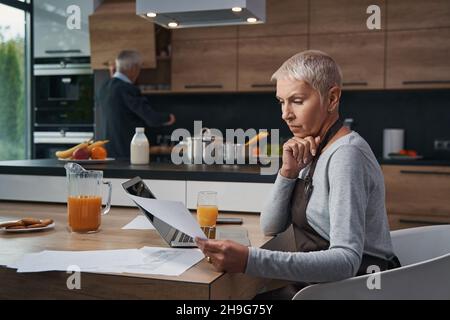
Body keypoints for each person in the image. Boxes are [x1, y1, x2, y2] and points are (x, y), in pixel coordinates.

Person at [196, 50, 400, 299]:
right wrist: (288, 172)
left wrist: (250, 260)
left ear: (332, 99)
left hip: (357, 289)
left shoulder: (347, 156)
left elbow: (347, 261)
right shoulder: (313, 146)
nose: (285, 113)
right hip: (321, 286)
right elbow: (271, 225)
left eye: (297, 100)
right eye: (281, 102)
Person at [97, 50, 175, 158]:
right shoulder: (127, 89)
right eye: (139, 68)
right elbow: (150, 118)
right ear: (133, 68)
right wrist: (168, 118)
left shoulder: (104, 87)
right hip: (127, 152)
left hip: (107, 152)